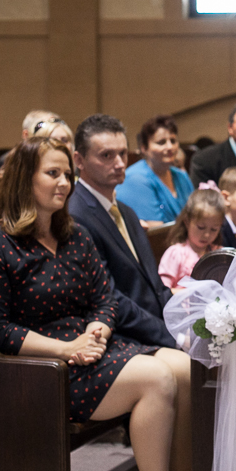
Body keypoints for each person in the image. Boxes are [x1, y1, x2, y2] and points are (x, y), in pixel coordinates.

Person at [0, 137, 192, 471]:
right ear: (24, 179)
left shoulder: (73, 236)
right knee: (158, 379)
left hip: (91, 348)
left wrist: (98, 329)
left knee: (182, 367)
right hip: (43, 369)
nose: (64, 182)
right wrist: (64, 348)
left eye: (66, 174)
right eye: (52, 173)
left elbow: (105, 298)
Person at [69, 114, 178, 349]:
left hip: (154, 328)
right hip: (119, 337)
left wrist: (182, 321)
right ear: (79, 159)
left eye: (123, 153)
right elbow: (111, 298)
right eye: (107, 155)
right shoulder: (76, 215)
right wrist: (172, 338)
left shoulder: (126, 212)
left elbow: (154, 284)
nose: (119, 163)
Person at [116, 115, 194, 226]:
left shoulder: (181, 176)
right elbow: (156, 233)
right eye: (161, 142)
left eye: (173, 141)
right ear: (144, 148)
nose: (169, 147)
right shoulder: (135, 179)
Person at [158, 186, 225, 289]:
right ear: (187, 222)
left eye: (214, 229)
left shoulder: (219, 253)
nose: (207, 235)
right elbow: (163, 292)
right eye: (201, 227)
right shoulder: (175, 254)